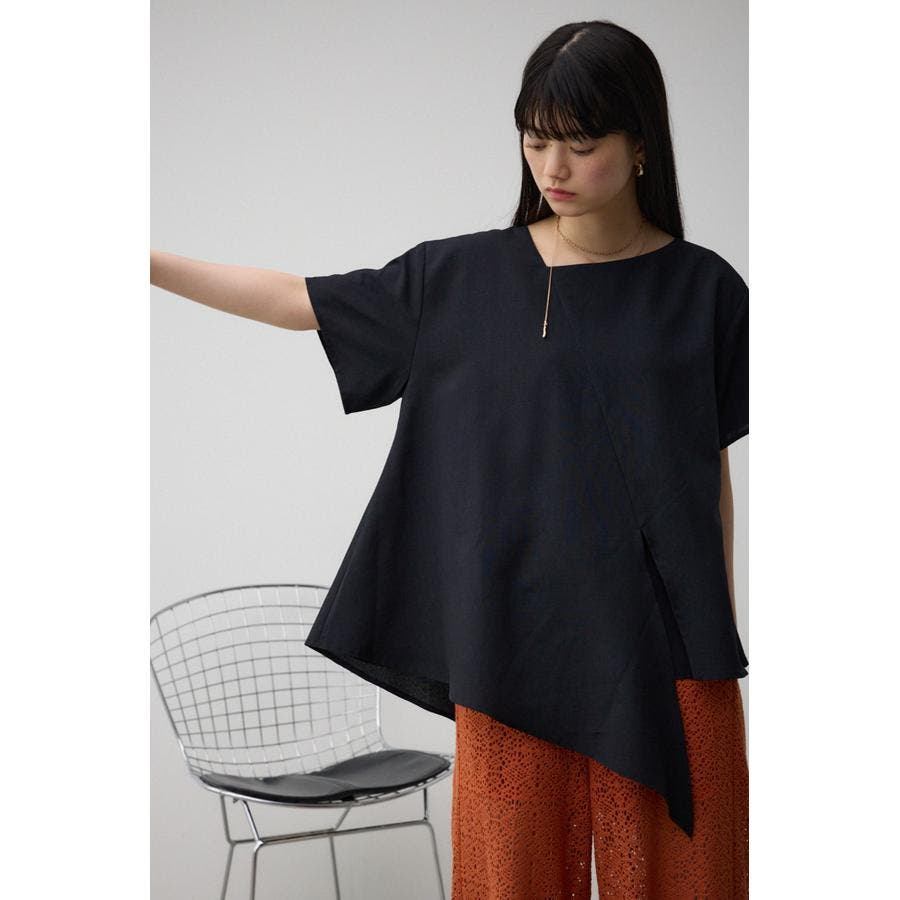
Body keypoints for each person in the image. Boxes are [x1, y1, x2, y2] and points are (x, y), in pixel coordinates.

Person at [151, 18, 748, 899]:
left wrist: (717, 624)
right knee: (508, 883)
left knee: (691, 883)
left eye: (580, 145)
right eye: (535, 140)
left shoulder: (708, 292)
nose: (552, 168)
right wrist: (142, 261)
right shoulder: (461, 280)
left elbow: (709, 472)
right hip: (513, 651)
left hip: (670, 655)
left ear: (641, 146)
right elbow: (295, 300)